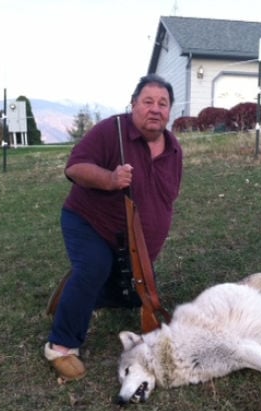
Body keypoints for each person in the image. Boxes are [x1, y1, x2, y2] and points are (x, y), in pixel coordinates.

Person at [44, 74, 184, 381]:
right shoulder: (113, 131)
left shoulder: (174, 150)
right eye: (148, 102)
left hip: (132, 243)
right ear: (133, 104)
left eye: (163, 104)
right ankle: (62, 345)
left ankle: (75, 292)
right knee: (94, 266)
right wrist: (110, 179)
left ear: (170, 111)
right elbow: (75, 167)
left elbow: (166, 200)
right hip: (89, 222)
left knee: (132, 298)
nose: (155, 109)